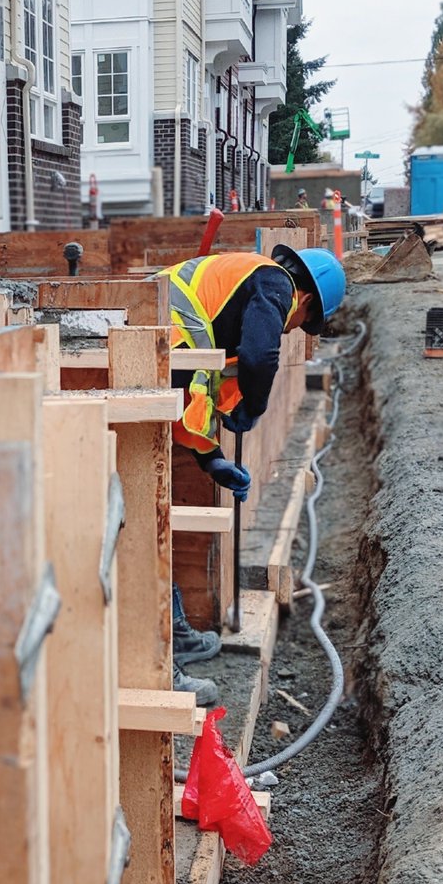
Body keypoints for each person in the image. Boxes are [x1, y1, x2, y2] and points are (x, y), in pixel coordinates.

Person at [159, 244, 347, 704]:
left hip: (151, 346)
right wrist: (255, 403)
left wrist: (210, 458)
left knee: (148, 510)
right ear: (306, 301)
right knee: (142, 518)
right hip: (142, 341)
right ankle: (158, 661)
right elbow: (259, 357)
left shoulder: (226, 304)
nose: (293, 327)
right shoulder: (274, 282)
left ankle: (170, 631)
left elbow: (190, 397)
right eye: (303, 323)